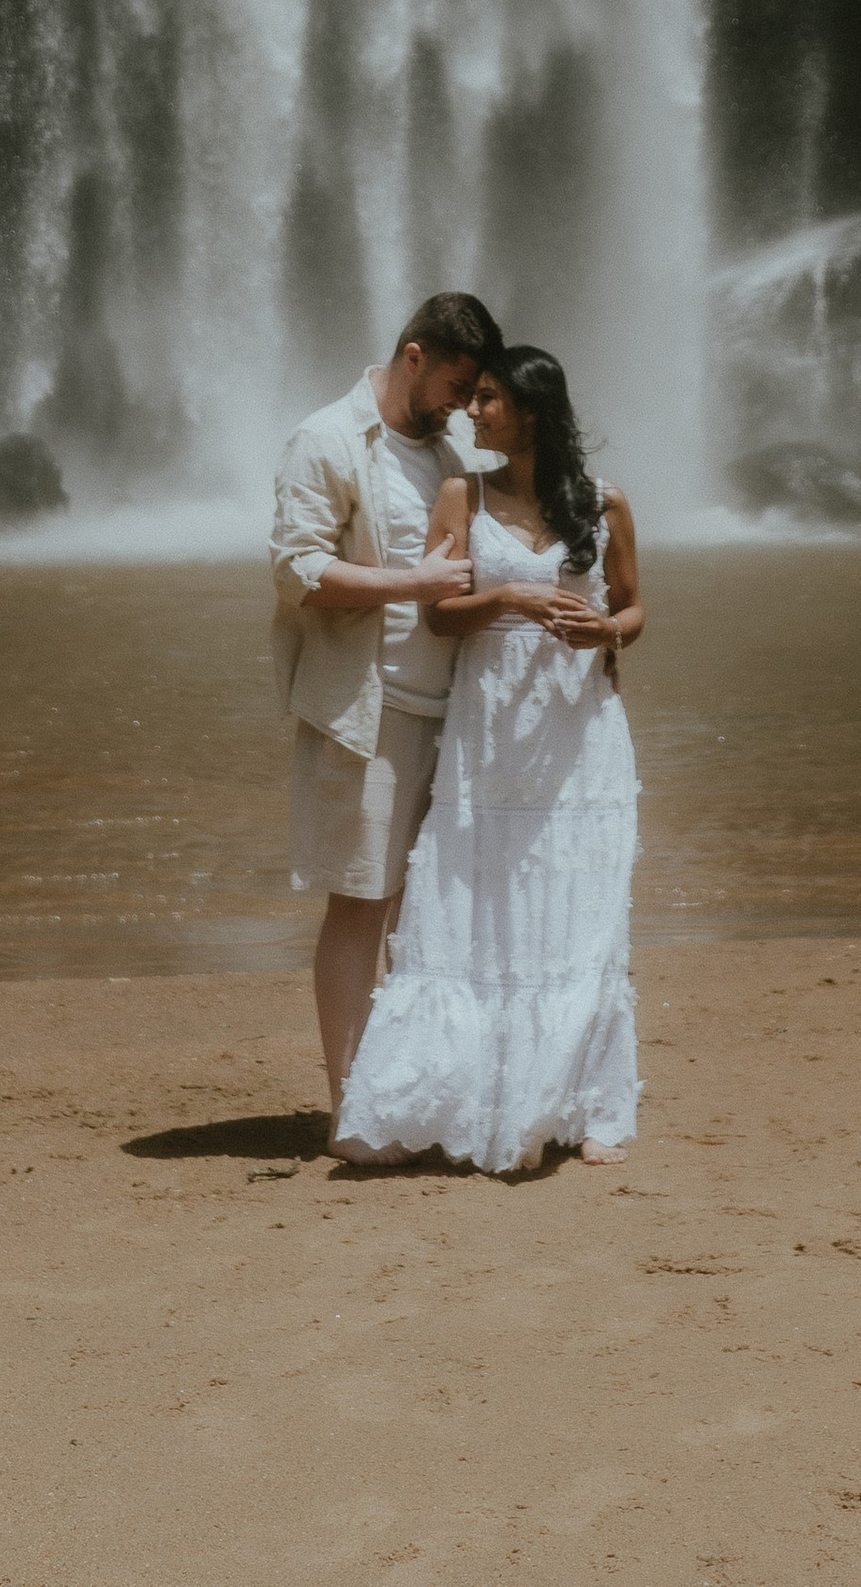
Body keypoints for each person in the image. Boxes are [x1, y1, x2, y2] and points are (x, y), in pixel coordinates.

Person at [329, 344, 643, 1175]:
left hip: (578, 728)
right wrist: (506, 597)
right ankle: (462, 1088)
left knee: (575, 900)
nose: (473, 410)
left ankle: (582, 1100)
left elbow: (637, 604)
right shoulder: (461, 493)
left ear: (533, 411)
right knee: (478, 896)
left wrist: (609, 629)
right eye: (473, 396)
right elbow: (440, 616)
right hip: (490, 723)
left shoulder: (606, 504)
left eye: (491, 399)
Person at [269, 291, 505, 1115]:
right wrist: (414, 581)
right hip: (370, 712)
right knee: (363, 905)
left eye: (480, 390)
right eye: (459, 382)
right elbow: (296, 571)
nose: (467, 404)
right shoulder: (329, 438)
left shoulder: (448, 455)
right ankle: (350, 1109)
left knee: (429, 913)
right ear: (416, 357)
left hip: (456, 713)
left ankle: (407, 1090)